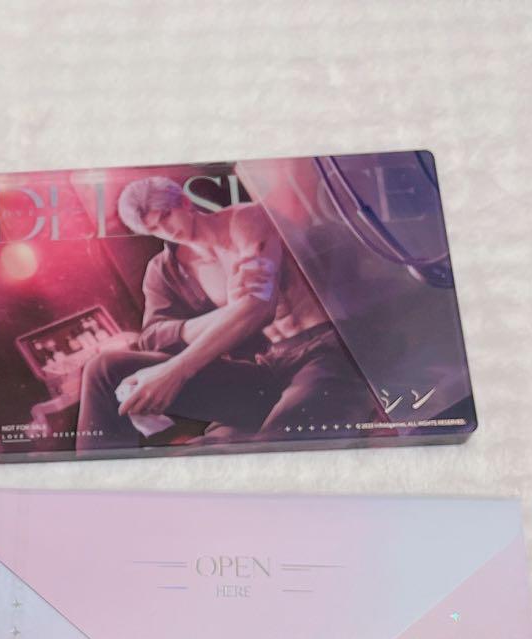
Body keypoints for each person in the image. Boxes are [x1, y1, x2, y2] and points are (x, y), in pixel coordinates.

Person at [75, 176, 381, 451]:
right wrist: (228, 315)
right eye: (154, 228)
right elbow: (153, 336)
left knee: (275, 443)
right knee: (104, 369)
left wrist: (175, 371)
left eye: (166, 216)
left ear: (184, 202)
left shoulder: (245, 221)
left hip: (324, 350)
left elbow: (259, 308)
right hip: (269, 365)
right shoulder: (168, 267)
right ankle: (93, 479)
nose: (166, 230)